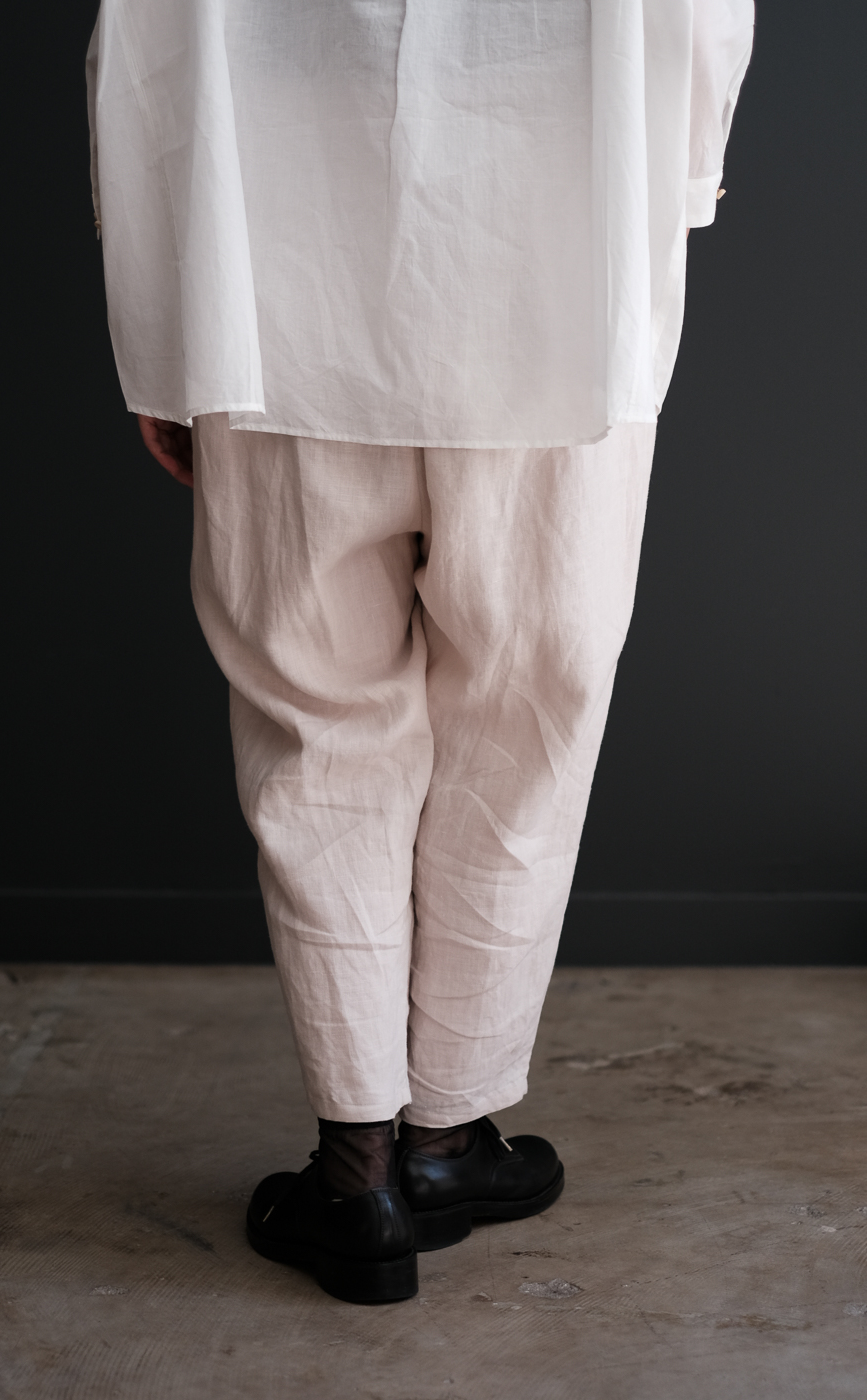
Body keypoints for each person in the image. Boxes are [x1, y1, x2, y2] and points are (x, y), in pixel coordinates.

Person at [87, 0, 754, 1304]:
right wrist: (674, 184)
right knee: (524, 720)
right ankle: (445, 1138)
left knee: (317, 726)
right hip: (559, 248)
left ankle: (360, 1173)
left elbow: (148, 27)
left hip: (277, 264)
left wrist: (162, 324)